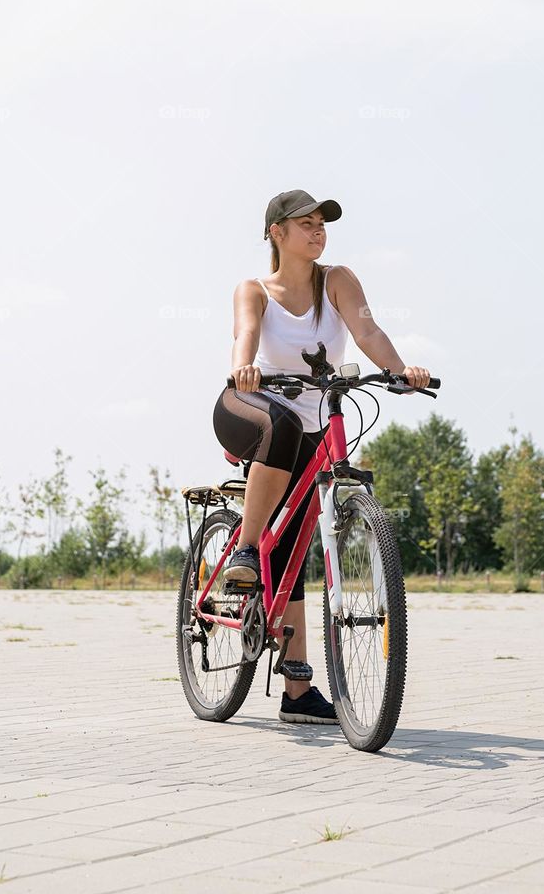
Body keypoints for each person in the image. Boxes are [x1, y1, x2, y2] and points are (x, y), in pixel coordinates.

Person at [212, 189, 431, 725]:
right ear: (276, 234)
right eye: (305, 224)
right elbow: (246, 334)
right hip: (248, 405)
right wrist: (245, 369)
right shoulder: (255, 289)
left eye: (322, 224)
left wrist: (401, 370)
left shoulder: (337, 280)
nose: (318, 232)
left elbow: (366, 329)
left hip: (311, 422)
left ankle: (298, 692)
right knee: (283, 425)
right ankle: (243, 552)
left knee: (295, 544)